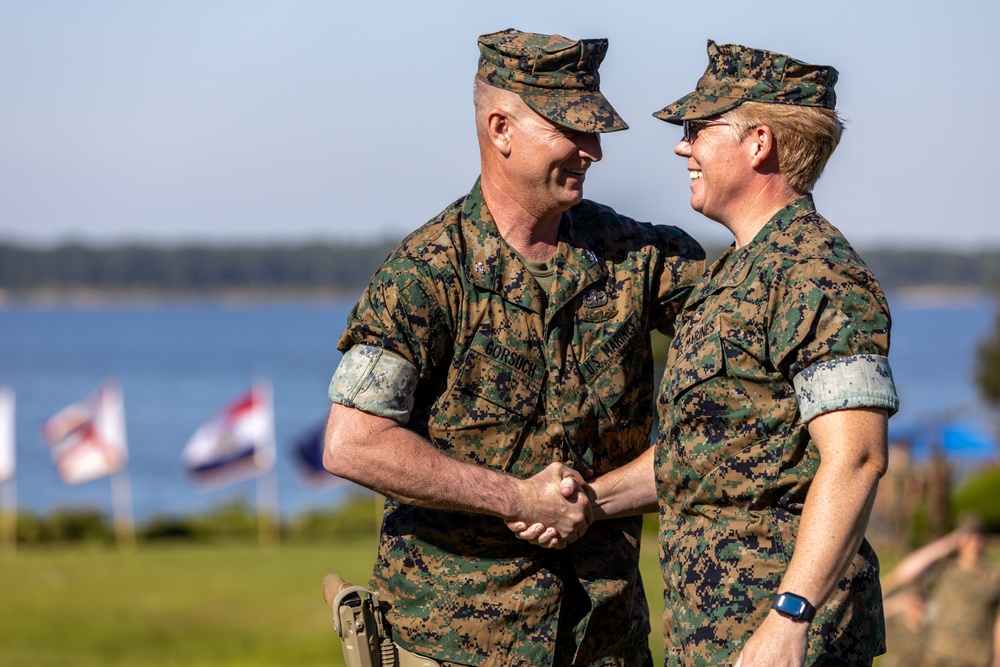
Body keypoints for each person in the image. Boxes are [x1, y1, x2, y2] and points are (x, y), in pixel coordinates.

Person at [323, 28, 705, 667]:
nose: (593, 151)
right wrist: (513, 498)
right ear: (500, 129)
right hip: (453, 646)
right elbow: (353, 441)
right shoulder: (428, 273)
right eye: (571, 130)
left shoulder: (635, 256)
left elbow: (754, 334)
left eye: (596, 131)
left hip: (605, 642)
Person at [517, 39, 900, 666]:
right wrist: (589, 502)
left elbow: (857, 456)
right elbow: (705, 457)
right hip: (717, 636)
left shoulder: (817, 276)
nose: (681, 145)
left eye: (698, 127)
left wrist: (791, 617)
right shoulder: (737, 275)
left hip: (786, 641)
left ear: (759, 144)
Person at [882, 515, 1000, 667]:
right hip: (940, 655)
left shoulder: (993, 576)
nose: (973, 541)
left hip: (978, 657)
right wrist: (948, 543)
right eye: (968, 535)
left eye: (978, 535)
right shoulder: (945, 569)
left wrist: (998, 658)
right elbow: (907, 571)